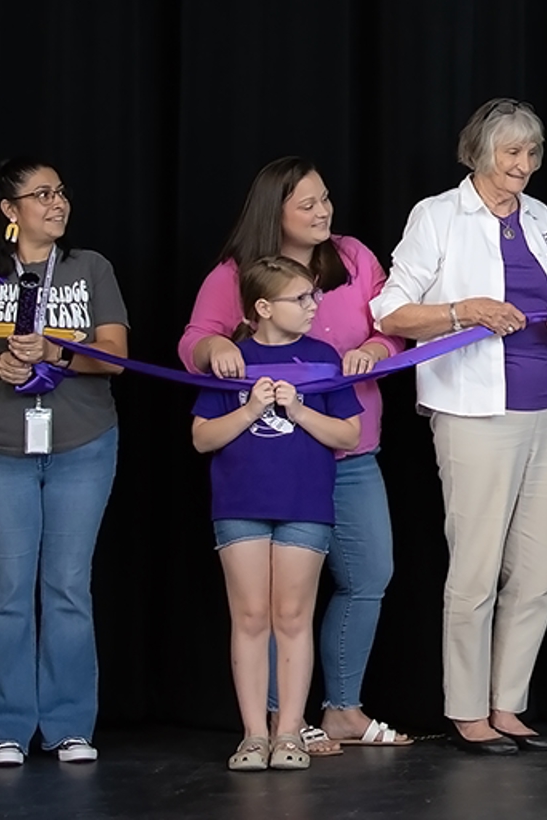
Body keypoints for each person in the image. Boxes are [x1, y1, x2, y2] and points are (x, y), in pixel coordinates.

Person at [371, 99, 547, 756]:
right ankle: (466, 711)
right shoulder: (438, 215)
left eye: (531, 154)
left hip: (545, 407)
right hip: (474, 413)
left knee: (539, 570)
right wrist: (462, 310)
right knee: (475, 569)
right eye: (510, 154)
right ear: (480, 154)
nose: (522, 166)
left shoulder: (542, 218)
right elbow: (390, 311)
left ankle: (508, 704)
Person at [179, 157, 410, 752]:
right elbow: (195, 341)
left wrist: (375, 349)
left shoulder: (354, 257)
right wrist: (213, 348)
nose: (323, 211)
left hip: (347, 450)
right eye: (307, 204)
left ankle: (340, 708)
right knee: (270, 601)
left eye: (326, 199)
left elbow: (392, 323)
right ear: (273, 213)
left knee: (367, 575)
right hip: (271, 463)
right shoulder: (236, 273)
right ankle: (285, 722)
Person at [0, 158, 130, 767]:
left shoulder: (90, 268)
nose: (57, 203)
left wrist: (58, 351)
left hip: (83, 446)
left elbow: (117, 356)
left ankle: (68, 725)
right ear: (9, 211)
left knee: (68, 586)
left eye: (61, 191)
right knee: (8, 588)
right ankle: (3, 728)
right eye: (41, 194)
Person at [192, 257, 364, 771]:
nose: (314, 306)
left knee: (292, 617)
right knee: (249, 617)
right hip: (240, 503)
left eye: (314, 297)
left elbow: (350, 434)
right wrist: (248, 409)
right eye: (301, 299)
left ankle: (289, 730)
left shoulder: (323, 358)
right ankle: (252, 733)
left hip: (304, 503)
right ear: (263, 308)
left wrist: (301, 410)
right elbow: (202, 437)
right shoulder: (232, 361)